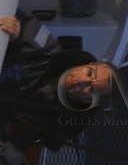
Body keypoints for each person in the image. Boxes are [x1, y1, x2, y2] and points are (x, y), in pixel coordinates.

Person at [0, 15, 112, 150]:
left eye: (91, 88)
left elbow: (12, 147)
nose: (81, 81)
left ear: (88, 100)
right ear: (89, 64)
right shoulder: (48, 47)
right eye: (89, 73)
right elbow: (25, 21)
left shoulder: (51, 125)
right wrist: (17, 30)